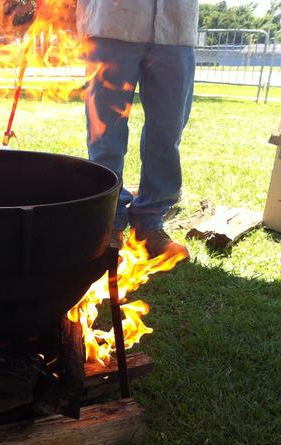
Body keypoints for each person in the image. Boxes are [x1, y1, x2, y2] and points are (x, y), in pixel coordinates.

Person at [75, 0, 198, 258]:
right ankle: (108, 223)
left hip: (176, 27)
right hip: (111, 24)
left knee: (167, 132)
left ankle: (150, 225)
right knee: (105, 136)